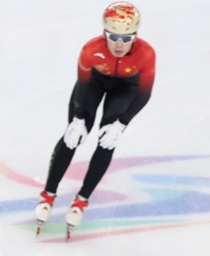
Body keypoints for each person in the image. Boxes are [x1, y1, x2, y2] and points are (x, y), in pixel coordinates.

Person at [34, 2, 155, 234]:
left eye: (127, 38)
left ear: (136, 35)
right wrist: (78, 118)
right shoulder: (91, 50)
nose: (119, 45)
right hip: (94, 84)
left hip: (126, 88)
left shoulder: (146, 54)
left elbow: (144, 93)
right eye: (113, 36)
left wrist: (121, 124)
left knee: (107, 139)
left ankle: (82, 199)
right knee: (72, 137)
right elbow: (83, 84)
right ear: (103, 32)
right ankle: (48, 194)